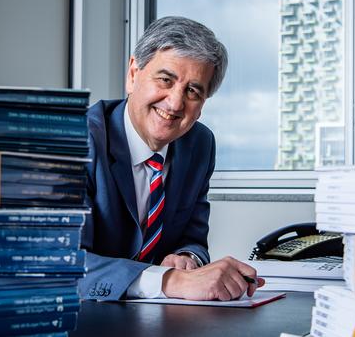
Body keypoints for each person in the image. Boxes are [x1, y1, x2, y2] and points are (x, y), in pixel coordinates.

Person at [80, 16, 264, 301]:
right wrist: (170, 281)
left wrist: (187, 259)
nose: (176, 103)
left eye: (193, 91)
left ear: (202, 104)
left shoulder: (199, 145)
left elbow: (193, 237)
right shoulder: (78, 142)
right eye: (165, 80)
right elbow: (63, 264)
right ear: (132, 75)